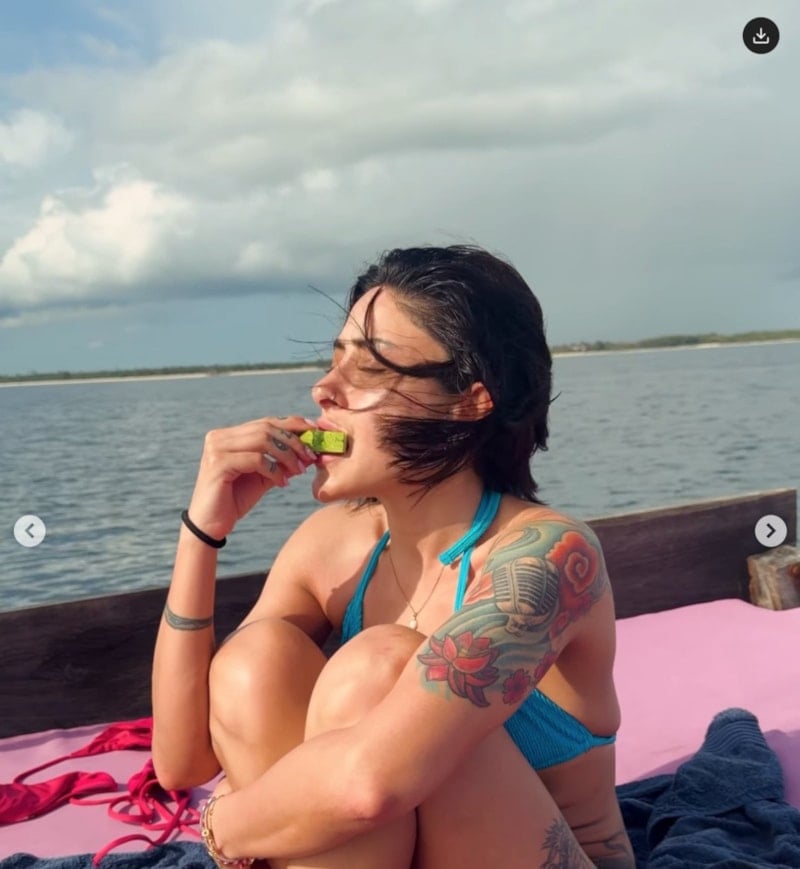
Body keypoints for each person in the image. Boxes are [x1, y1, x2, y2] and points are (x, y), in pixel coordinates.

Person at [151, 244, 635, 868]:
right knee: (256, 658)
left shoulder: (549, 557)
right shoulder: (334, 545)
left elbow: (367, 786)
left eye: (370, 368)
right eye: (333, 361)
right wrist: (202, 531)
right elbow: (182, 763)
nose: (324, 389)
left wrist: (220, 825)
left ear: (469, 400)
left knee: (377, 671)